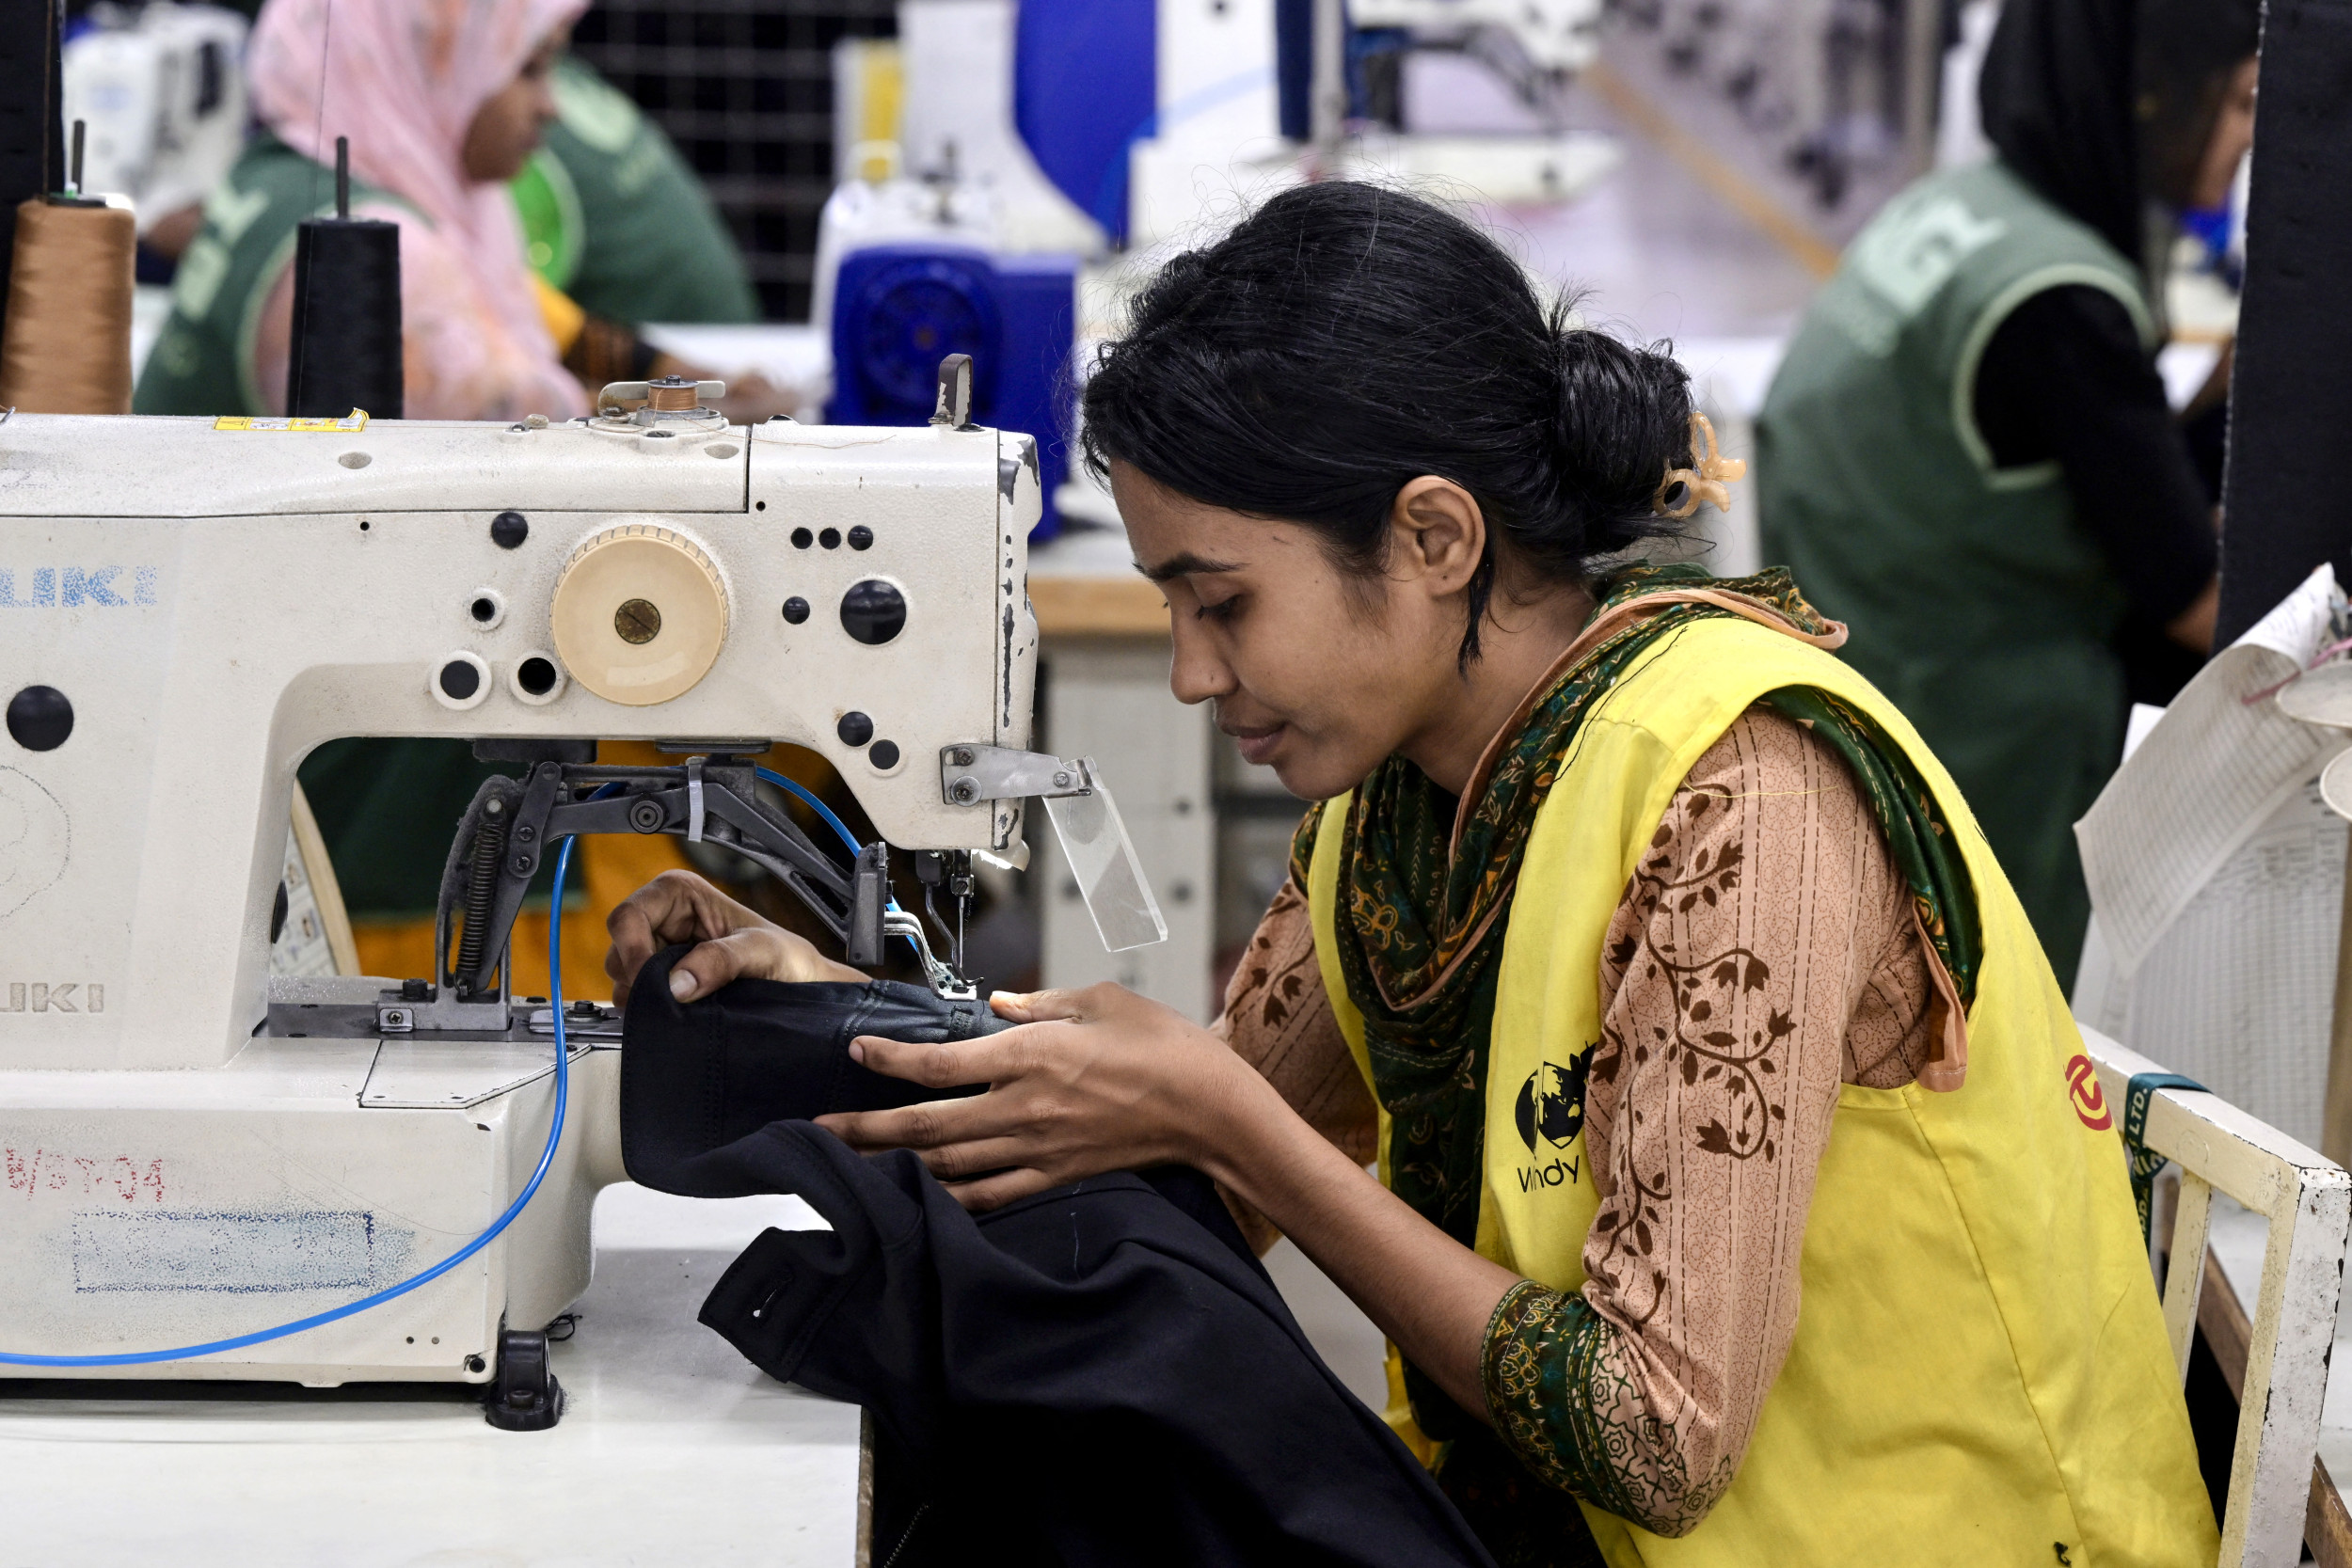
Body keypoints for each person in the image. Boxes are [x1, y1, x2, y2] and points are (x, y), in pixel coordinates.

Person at [604, 183, 2213, 1567]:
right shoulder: (1400, 811)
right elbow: (1197, 1189)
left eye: (1220, 601)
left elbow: (1660, 1431)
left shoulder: (1741, 798)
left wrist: (1233, 1120)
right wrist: (847, 1008)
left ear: (1438, 536)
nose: (1185, 671)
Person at [1756, 0, 2260, 980]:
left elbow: (2116, 452)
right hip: (1978, 726)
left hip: (1854, 655)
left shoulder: (1966, 206)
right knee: (2003, 1030)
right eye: (2238, 101)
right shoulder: (2060, 299)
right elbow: (2199, 602)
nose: (2247, 140)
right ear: (2149, 96)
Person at [135, 0, 589, 421]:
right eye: (528, 68)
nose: (553, 107)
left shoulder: (277, 168)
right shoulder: (396, 256)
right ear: (425, 62)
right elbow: (530, 443)